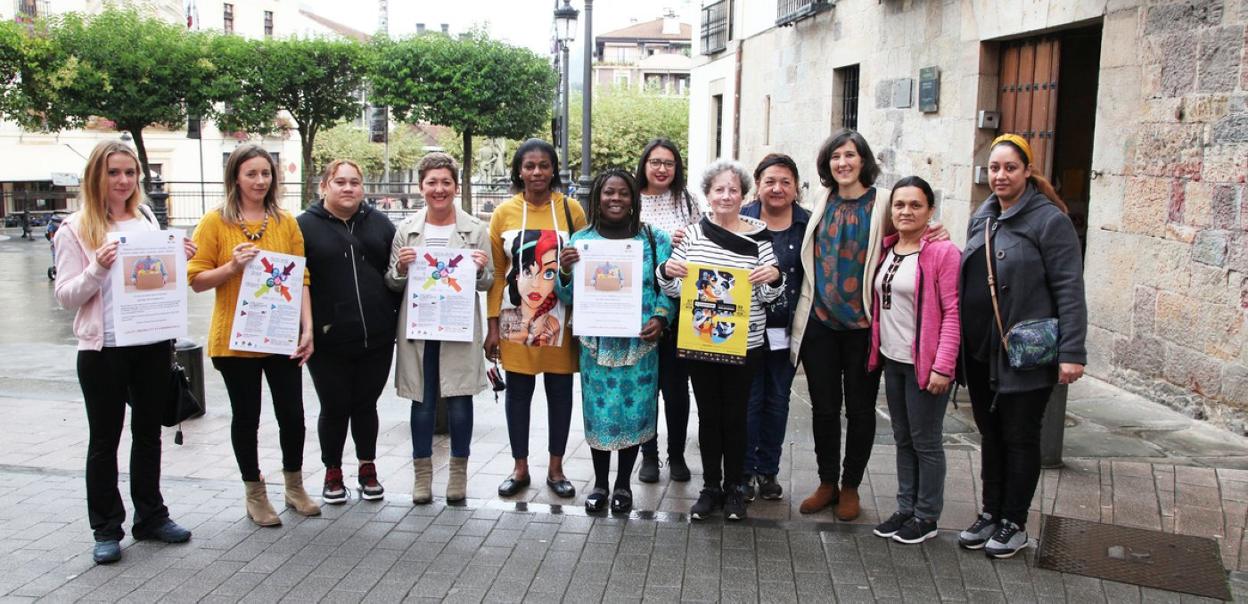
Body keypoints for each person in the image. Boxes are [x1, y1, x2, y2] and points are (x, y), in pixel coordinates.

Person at [789, 129, 949, 520]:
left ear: (863, 160)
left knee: (860, 411)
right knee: (824, 409)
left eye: (850, 155)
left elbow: (911, 231)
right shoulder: (821, 200)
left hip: (864, 326)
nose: (842, 163)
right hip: (820, 323)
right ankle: (827, 482)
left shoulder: (883, 202)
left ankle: (850, 487)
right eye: (835, 157)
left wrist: (936, 232)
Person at [54, 141, 195, 564]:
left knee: (148, 433)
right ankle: (106, 528)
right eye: (114, 172)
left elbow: (155, 278)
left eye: (130, 173)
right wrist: (97, 266)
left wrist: (178, 258)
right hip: (104, 348)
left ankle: (150, 516)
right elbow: (66, 296)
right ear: (96, 176)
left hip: (150, 342)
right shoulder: (74, 228)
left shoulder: (146, 217)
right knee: (104, 440)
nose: (123, 181)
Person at [957, 134, 1086, 559]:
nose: (1001, 175)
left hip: (1024, 354)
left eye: (1010, 167)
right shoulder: (983, 216)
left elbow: (1069, 288)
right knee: (991, 434)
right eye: (994, 168)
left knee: (1020, 436)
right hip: (981, 352)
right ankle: (990, 513)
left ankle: (1014, 522)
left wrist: (1072, 352)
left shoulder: (1050, 221)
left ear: (1027, 171)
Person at [188, 144, 320, 526]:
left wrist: (308, 327)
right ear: (235, 177)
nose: (260, 181)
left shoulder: (285, 222)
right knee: (247, 417)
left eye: (265, 173)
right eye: (251, 174)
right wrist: (231, 267)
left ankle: (294, 486)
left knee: (292, 415)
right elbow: (196, 278)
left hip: (279, 336)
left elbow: (301, 276)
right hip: (234, 340)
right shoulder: (214, 222)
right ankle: (255, 493)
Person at [658, 159, 783, 521]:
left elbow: (769, 296)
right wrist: (665, 271)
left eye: (733, 190)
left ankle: (735, 489)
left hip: (744, 343)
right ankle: (710, 487)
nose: (726, 196)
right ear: (708, 195)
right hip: (701, 342)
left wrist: (773, 278)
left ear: (743, 196)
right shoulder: (692, 235)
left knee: (736, 416)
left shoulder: (760, 238)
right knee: (709, 416)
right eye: (719, 189)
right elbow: (675, 288)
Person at [556, 169, 673, 513]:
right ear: (597, 197)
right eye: (609, 192)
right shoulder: (581, 241)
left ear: (634, 198)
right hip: (596, 345)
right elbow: (567, 295)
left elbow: (670, 288)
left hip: (640, 345)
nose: (616, 199)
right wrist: (565, 270)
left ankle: (623, 484)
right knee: (599, 413)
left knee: (634, 414)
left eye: (623, 193)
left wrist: (661, 318)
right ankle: (600, 484)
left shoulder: (655, 239)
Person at [387, 152, 492, 504]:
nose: (439, 189)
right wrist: (401, 269)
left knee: (460, 399)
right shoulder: (407, 229)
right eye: (432, 182)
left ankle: (458, 475)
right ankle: (422, 475)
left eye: (446, 182)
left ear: (456, 187)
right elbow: (392, 282)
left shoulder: (475, 229)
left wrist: (480, 270)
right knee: (422, 400)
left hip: (457, 328)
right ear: (421, 187)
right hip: (420, 328)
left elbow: (488, 282)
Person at [485, 139, 587, 499]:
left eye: (544, 165)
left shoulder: (571, 210)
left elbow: (585, 264)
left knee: (560, 395)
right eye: (529, 166)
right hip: (514, 322)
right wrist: (492, 325)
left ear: (554, 169)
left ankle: (556, 469)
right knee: (518, 395)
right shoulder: (504, 213)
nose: (537, 172)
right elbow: (498, 274)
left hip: (561, 320)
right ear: (519, 171)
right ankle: (520, 467)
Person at [866, 177, 961, 545]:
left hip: (926, 364)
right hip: (894, 360)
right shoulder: (888, 248)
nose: (906, 211)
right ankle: (906, 508)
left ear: (930, 210)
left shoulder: (942, 252)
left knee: (926, 441)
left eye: (915, 205)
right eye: (900, 205)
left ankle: (927, 515)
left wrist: (943, 366)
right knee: (903, 438)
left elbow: (952, 312)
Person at [298, 159, 399, 505]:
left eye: (354, 182)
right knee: (334, 406)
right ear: (324, 186)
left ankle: (367, 467)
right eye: (339, 182)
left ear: (362, 188)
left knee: (366, 404)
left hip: (377, 336)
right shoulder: (304, 227)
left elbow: (396, 273)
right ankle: (332, 470)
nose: (348, 188)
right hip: (329, 340)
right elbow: (296, 280)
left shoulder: (380, 223)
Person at [739, 154, 809, 502]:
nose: (777, 188)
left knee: (778, 401)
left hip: (787, 329)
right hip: (744, 330)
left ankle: (768, 471)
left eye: (785, 182)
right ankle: (744, 471)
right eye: (770, 181)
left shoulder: (808, 224)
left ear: (796, 188)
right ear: (758, 185)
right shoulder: (740, 220)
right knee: (748, 401)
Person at [634, 138, 701, 483]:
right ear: (644, 165)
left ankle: (677, 455)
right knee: (646, 386)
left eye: (669, 163)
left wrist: (686, 241)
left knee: (676, 388)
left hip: (680, 303)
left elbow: (703, 242)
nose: (662, 169)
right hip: (641, 307)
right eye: (655, 162)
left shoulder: (688, 201)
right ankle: (649, 455)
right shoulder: (631, 199)